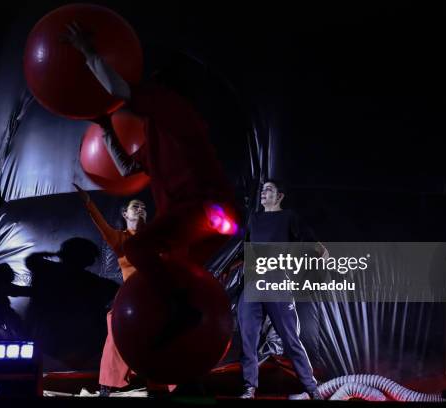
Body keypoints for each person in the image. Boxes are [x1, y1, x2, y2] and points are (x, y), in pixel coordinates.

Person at [64, 23, 237, 287]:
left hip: (199, 209)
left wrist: (88, 52)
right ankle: (183, 307)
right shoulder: (161, 131)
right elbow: (127, 169)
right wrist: (106, 127)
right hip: (207, 216)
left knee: (137, 250)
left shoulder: (173, 108)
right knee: (178, 269)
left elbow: (121, 91)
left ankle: (174, 304)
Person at [75, 184, 175, 397]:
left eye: (143, 208)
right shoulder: (119, 238)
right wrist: (88, 203)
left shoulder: (154, 239)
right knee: (114, 327)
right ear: (125, 214)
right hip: (130, 298)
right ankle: (106, 386)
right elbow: (101, 225)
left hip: (154, 297)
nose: (140, 209)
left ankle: (160, 385)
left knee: (160, 335)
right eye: (135, 206)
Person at [238, 180, 327, 400]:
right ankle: (249, 387)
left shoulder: (288, 217)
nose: (263, 193)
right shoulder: (254, 219)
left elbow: (308, 240)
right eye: (262, 190)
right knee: (248, 337)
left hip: (278, 283)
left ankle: (312, 389)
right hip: (254, 285)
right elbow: (245, 250)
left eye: (269, 190)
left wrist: (321, 252)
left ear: (280, 196)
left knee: (290, 339)